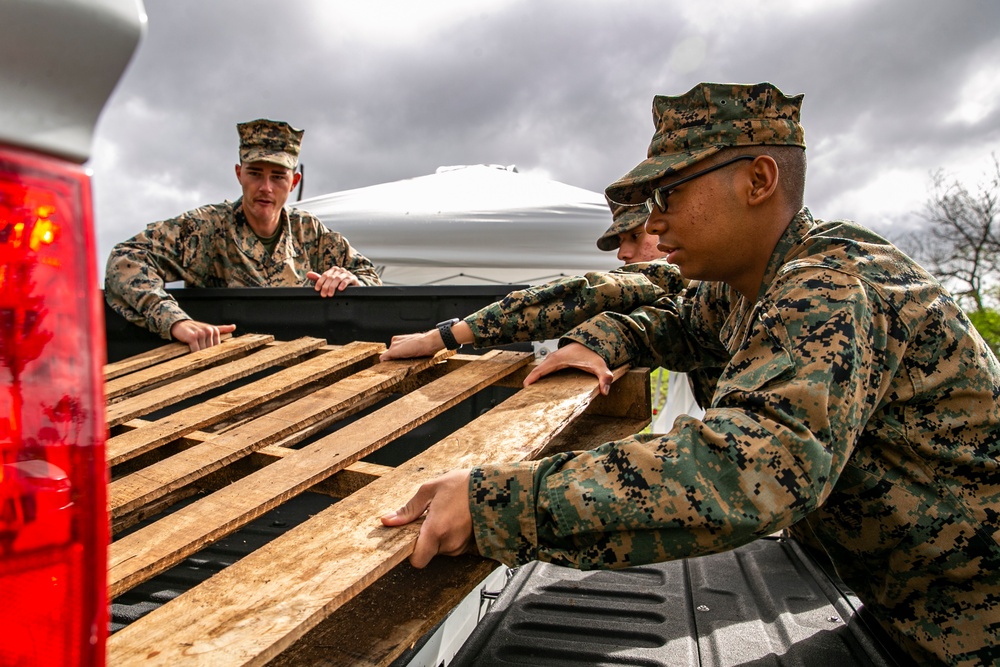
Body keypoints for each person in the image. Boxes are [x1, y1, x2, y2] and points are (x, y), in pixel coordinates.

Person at [378, 82, 1000, 665]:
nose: (652, 224)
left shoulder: (833, 287)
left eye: (669, 195)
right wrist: (601, 338)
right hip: (903, 608)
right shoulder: (741, 289)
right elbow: (664, 321)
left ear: (758, 180)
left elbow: (752, 469)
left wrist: (496, 502)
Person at [105, 119, 382, 351]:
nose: (265, 188)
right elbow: (126, 259)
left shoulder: (308, 232)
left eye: (277, 177)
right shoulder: (206, 228)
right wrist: (174, 320)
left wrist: (350, 280)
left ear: (294, 182)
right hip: (222, 376)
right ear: (239, 174)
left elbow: (372, 279)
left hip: (297, 375)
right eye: (255, 174)